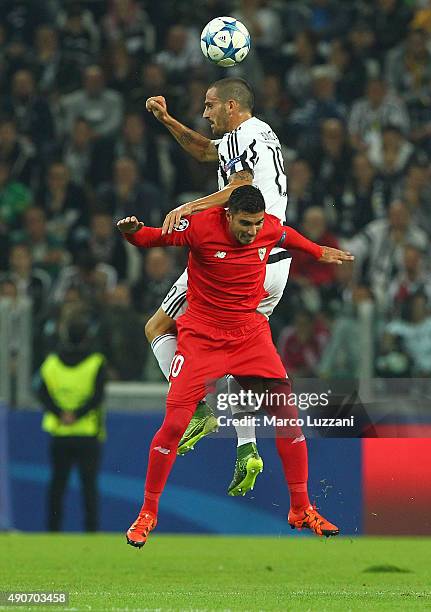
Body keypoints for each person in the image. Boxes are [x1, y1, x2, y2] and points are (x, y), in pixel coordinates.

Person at [117, 184, 353, 548]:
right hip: (202, 338)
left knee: (286, 412)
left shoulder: (268, 227)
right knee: (175, 424)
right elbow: (151, 239)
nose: (252, 231)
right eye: (245, 223)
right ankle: (148, 513)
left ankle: (301, 507)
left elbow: (287, 235)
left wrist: (318, 250)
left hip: (249, 334)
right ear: (228, 215)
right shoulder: (200, 227)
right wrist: (132, 233)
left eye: (257, 224)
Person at [145, 78, 294, 494]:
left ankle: (198, 410)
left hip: (239, 260)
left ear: (232, 106)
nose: (205, 113)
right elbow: (203, 150)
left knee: (157, 327)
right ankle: (247, 446)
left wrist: (191, 206)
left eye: (210, 106)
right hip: (275, 264)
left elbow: (240, 189)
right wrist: (167, 119)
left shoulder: (243, 134)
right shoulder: (259, 134)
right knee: (241, 355)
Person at [37, 316, 107, 532]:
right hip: (88, 432)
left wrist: (61, 414)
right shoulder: (96, 362)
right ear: (87, 337)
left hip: (60, 432)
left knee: (58, 485)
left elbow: (42, 393)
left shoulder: (51, 363)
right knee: (89, 486)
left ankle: (53, 529)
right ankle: (91, 530)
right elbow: (98, 396)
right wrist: (77, 414)